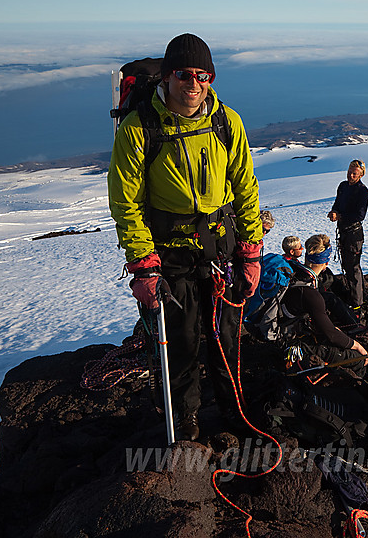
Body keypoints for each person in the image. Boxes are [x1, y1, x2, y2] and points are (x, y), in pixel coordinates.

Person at [108, 33, 263, 441]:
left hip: (222, 248)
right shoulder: (140, 127)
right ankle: (186, 421)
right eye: (183, 74)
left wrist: (250, 253)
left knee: (226, 336)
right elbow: (126, 203)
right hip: (170, 254)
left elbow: (246, 187)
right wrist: (142, 264)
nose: (194, 84)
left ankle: (234, 412)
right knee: (179, 342)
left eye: (203, 75)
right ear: (166, 76)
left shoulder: (227, 121)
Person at [280, 234, 368, 378]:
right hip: (294, 345)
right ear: (326, 262)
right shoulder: (311, 294)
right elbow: (332, 335)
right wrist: (357, 346)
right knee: (358, 359)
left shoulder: (296, 272)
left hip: (287, 331)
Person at [328, 159, 368, 318]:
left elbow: (360, 215)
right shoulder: (343, 186)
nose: (351, 175)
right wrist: (334, 212)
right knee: (347, 263)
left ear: (361, 175)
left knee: (353, 266)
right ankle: (355, 294)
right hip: (344, 230)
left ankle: (357, 302)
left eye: (354, 173)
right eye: (349, 172)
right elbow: (337, 203)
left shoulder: (363, 191)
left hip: (354, 233)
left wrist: (340, 215)